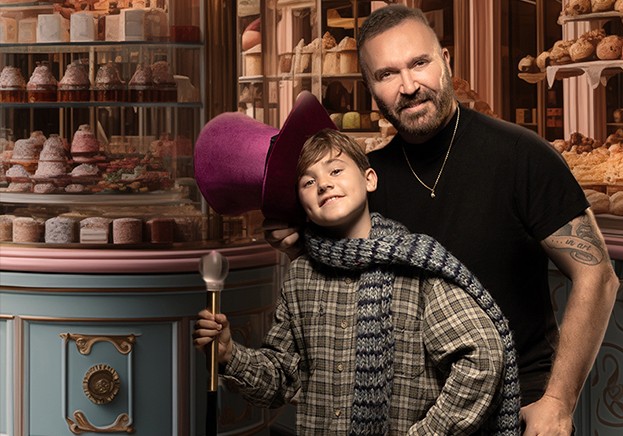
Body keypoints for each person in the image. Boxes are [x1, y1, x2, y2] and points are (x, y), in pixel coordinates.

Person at [264, 5, 621, 435]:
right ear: (370, 87)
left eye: (419, 63)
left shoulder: (521, 155)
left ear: (446, 62)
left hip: (520, 407)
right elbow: (339, 282)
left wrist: (558, 402)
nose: (409, 86)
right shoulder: (366, 183)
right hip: (417, 418)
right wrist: (297, 240)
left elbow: (597, 276)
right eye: (387, 74)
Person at [195, 128, 522, 435]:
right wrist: (228, 354)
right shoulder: (300, 277)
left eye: (336, 170)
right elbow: (281, 380)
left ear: (369, 179)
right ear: (302, 206)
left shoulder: (415, 264)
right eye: (308, 182)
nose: (324, 184)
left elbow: (482, 357)